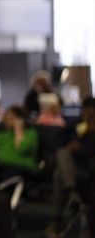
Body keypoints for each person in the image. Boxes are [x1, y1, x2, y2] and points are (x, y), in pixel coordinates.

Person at [47, 98, 95, 235]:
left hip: (88, 168)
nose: (88, 113)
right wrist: (72, 146)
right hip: (74, 166)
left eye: (91, 109)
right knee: (62, 153)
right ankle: (71, 189)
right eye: (86, 109)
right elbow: (60, 144)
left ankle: (57, 221)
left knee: (58, 175)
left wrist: (86, 140)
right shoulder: (75, 125)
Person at [0, 105, 38, 180]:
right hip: (1, 167)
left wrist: (18, 130)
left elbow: (22, 149)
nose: (9, 120)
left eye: (13, 118)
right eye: (8, 117)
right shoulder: (1, 134)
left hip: (21, 168)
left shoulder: (30, 133)